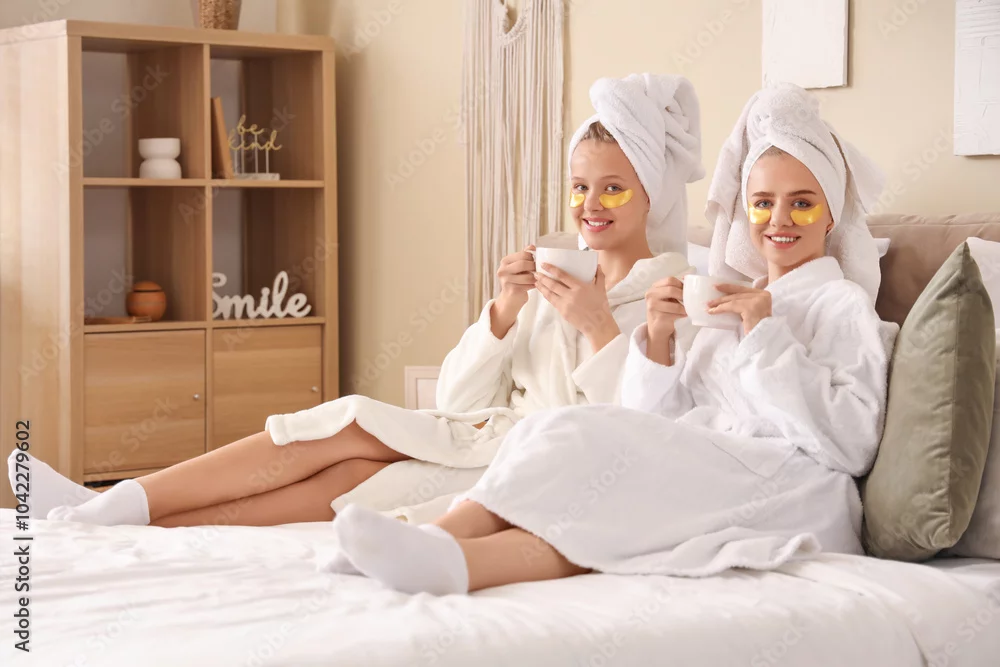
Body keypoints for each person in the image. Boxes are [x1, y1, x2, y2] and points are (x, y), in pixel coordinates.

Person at [11, 73, 705, 528]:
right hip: (475, 436)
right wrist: (503, 312)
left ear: (653, 194)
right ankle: (110, 509)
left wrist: (598, 330)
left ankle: (111, 514)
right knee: (342, 428)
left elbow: (642, 435)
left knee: (348, 474)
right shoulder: (555, 272)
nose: (589, 205)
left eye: (613, 188)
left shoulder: (672, 295)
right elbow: (459, 401)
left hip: (533, 468)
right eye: (580, 187)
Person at [322, 83, 897, 595]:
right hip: (712, 463)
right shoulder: (730, 299)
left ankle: (447, 553)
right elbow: (654, 419)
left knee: (585, 446)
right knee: (560, 440)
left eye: (802, 203)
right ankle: (442, 546)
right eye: (763, 202)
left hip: (790, 485)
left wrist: (765, 336)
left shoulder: (841, 304)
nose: (779, 219)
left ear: (830, 214)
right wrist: (658, 342)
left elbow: (853, 443)